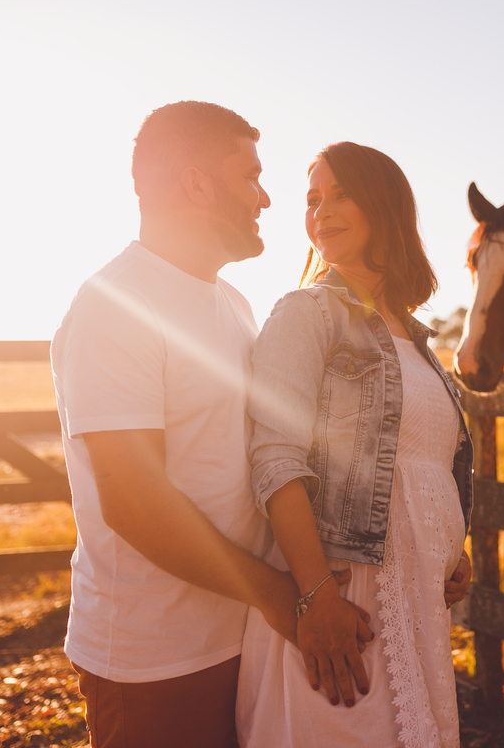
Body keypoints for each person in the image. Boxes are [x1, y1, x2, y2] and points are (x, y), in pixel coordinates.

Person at [52, 101, 319, 747]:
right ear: (197, 183)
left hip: (244, 634)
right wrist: (282, 597)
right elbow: (135, 503)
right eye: (251, 175)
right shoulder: (116, 307)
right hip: (155, 660)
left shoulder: (234, 302)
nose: (266, 198)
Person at [236, 142, 473, 748]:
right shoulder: (306, 313)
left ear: (385, 205)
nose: (322, 211)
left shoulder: (420, 341)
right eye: (313, 199)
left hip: (417, 597)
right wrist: (316, 600)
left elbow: (428, 464)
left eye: (341, 193)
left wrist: (454, 548)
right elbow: (276, 460)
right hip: (347, 597)